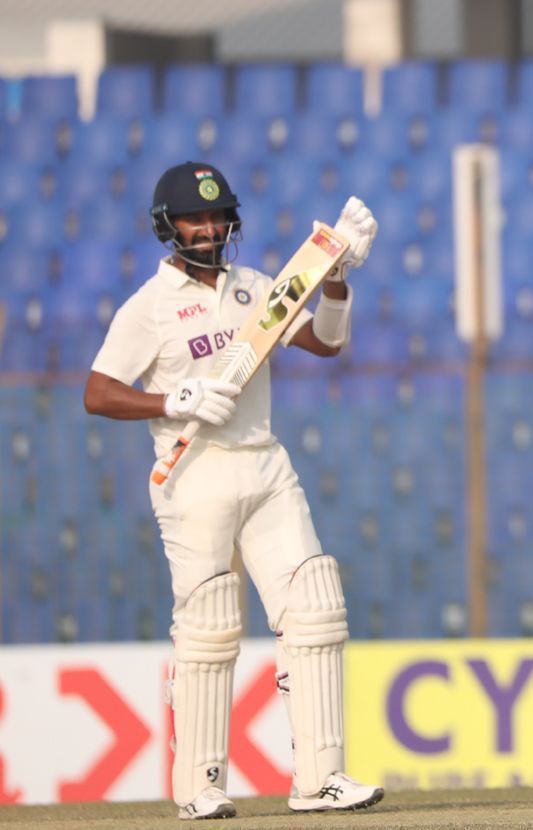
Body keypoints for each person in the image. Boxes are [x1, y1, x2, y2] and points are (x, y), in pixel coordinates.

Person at [82, 161, 382, 820]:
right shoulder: (149, 307)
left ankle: (319, 780)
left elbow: (327, 343)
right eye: (195, 217)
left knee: (315, 608)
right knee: (211, 629)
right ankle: (200, 784)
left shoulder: (253, 287)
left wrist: (335, 276)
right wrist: (172, 398)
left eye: (218, 217)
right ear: (169, 226)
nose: (209, 228)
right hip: (194, 475)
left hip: (264, 463)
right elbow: (97, 393)